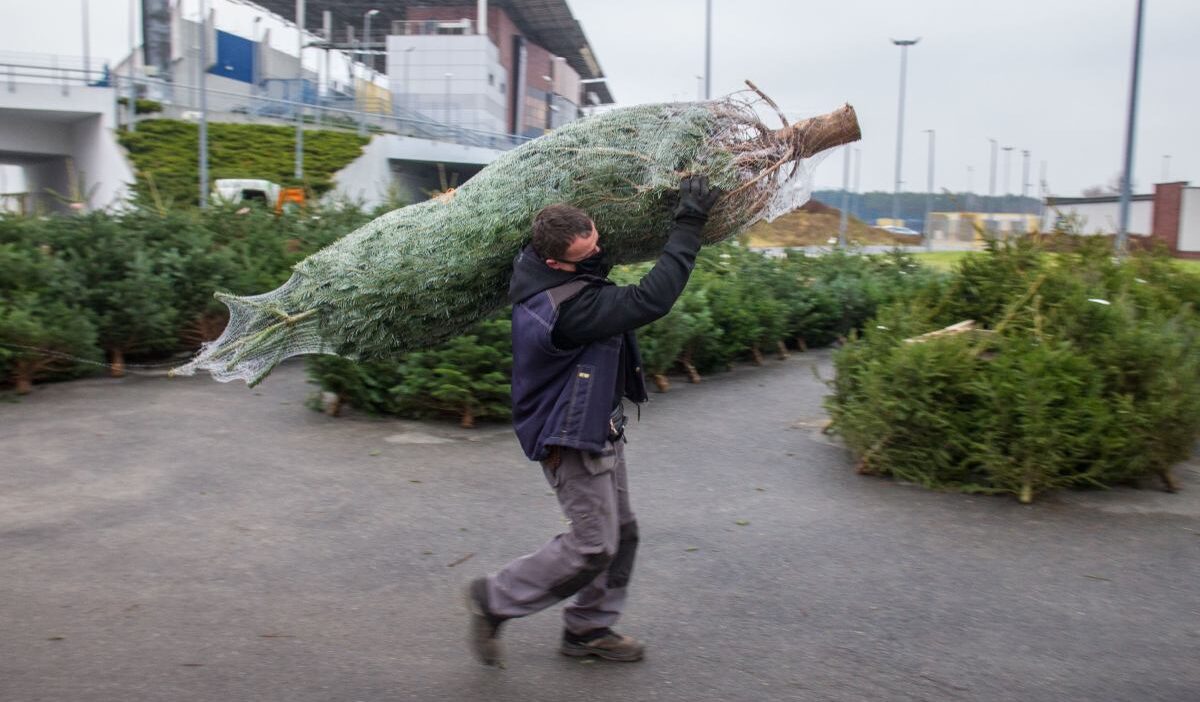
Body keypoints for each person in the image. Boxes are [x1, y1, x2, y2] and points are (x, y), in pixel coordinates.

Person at [466, 175, 723, 666]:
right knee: (593, 545)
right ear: (555, 260)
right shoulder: (568, 309)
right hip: (571, 437)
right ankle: (493, 599)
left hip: (596, 424)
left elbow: (594, 257)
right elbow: (651, 299)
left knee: (621, 533)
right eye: (591, 250)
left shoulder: (547, 264)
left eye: (598, 239)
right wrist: (689, 221)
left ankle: (589, 628)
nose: (600, 251)